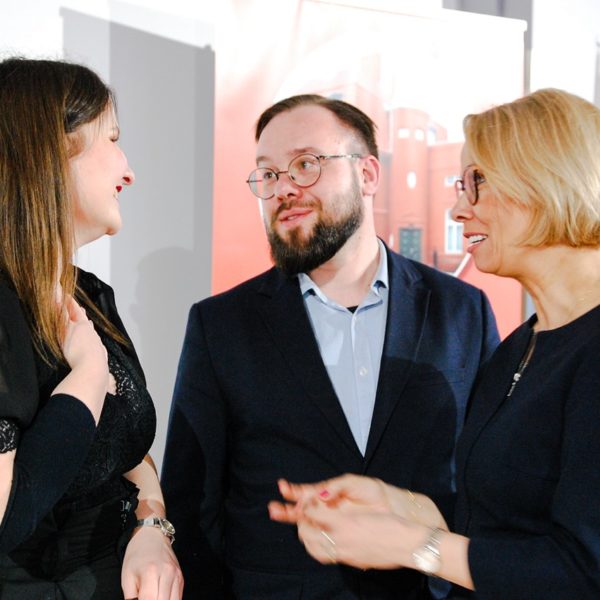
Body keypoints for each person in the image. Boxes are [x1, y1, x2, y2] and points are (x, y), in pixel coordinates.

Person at [161, 93, 499, 599]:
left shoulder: (461, 309)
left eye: (306, 164)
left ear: (367, 174)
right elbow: (192, 505)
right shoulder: (222, 324)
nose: (283, 188)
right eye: (268, 174)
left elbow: (492, 483)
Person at [268, 88, 600, 599]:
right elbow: (493, 524)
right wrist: (394, 504)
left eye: (476, 183)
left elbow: (583, 571)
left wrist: (414, 546)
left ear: (546, 177)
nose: (459, 209)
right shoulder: (522, 347)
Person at [0, 57, 183, 600]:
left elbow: (125, 448)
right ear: (52, 151)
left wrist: (152, 527)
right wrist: (87, 374)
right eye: (112, 139)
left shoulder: (91, 296)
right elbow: (8, 512)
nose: (129, 171)